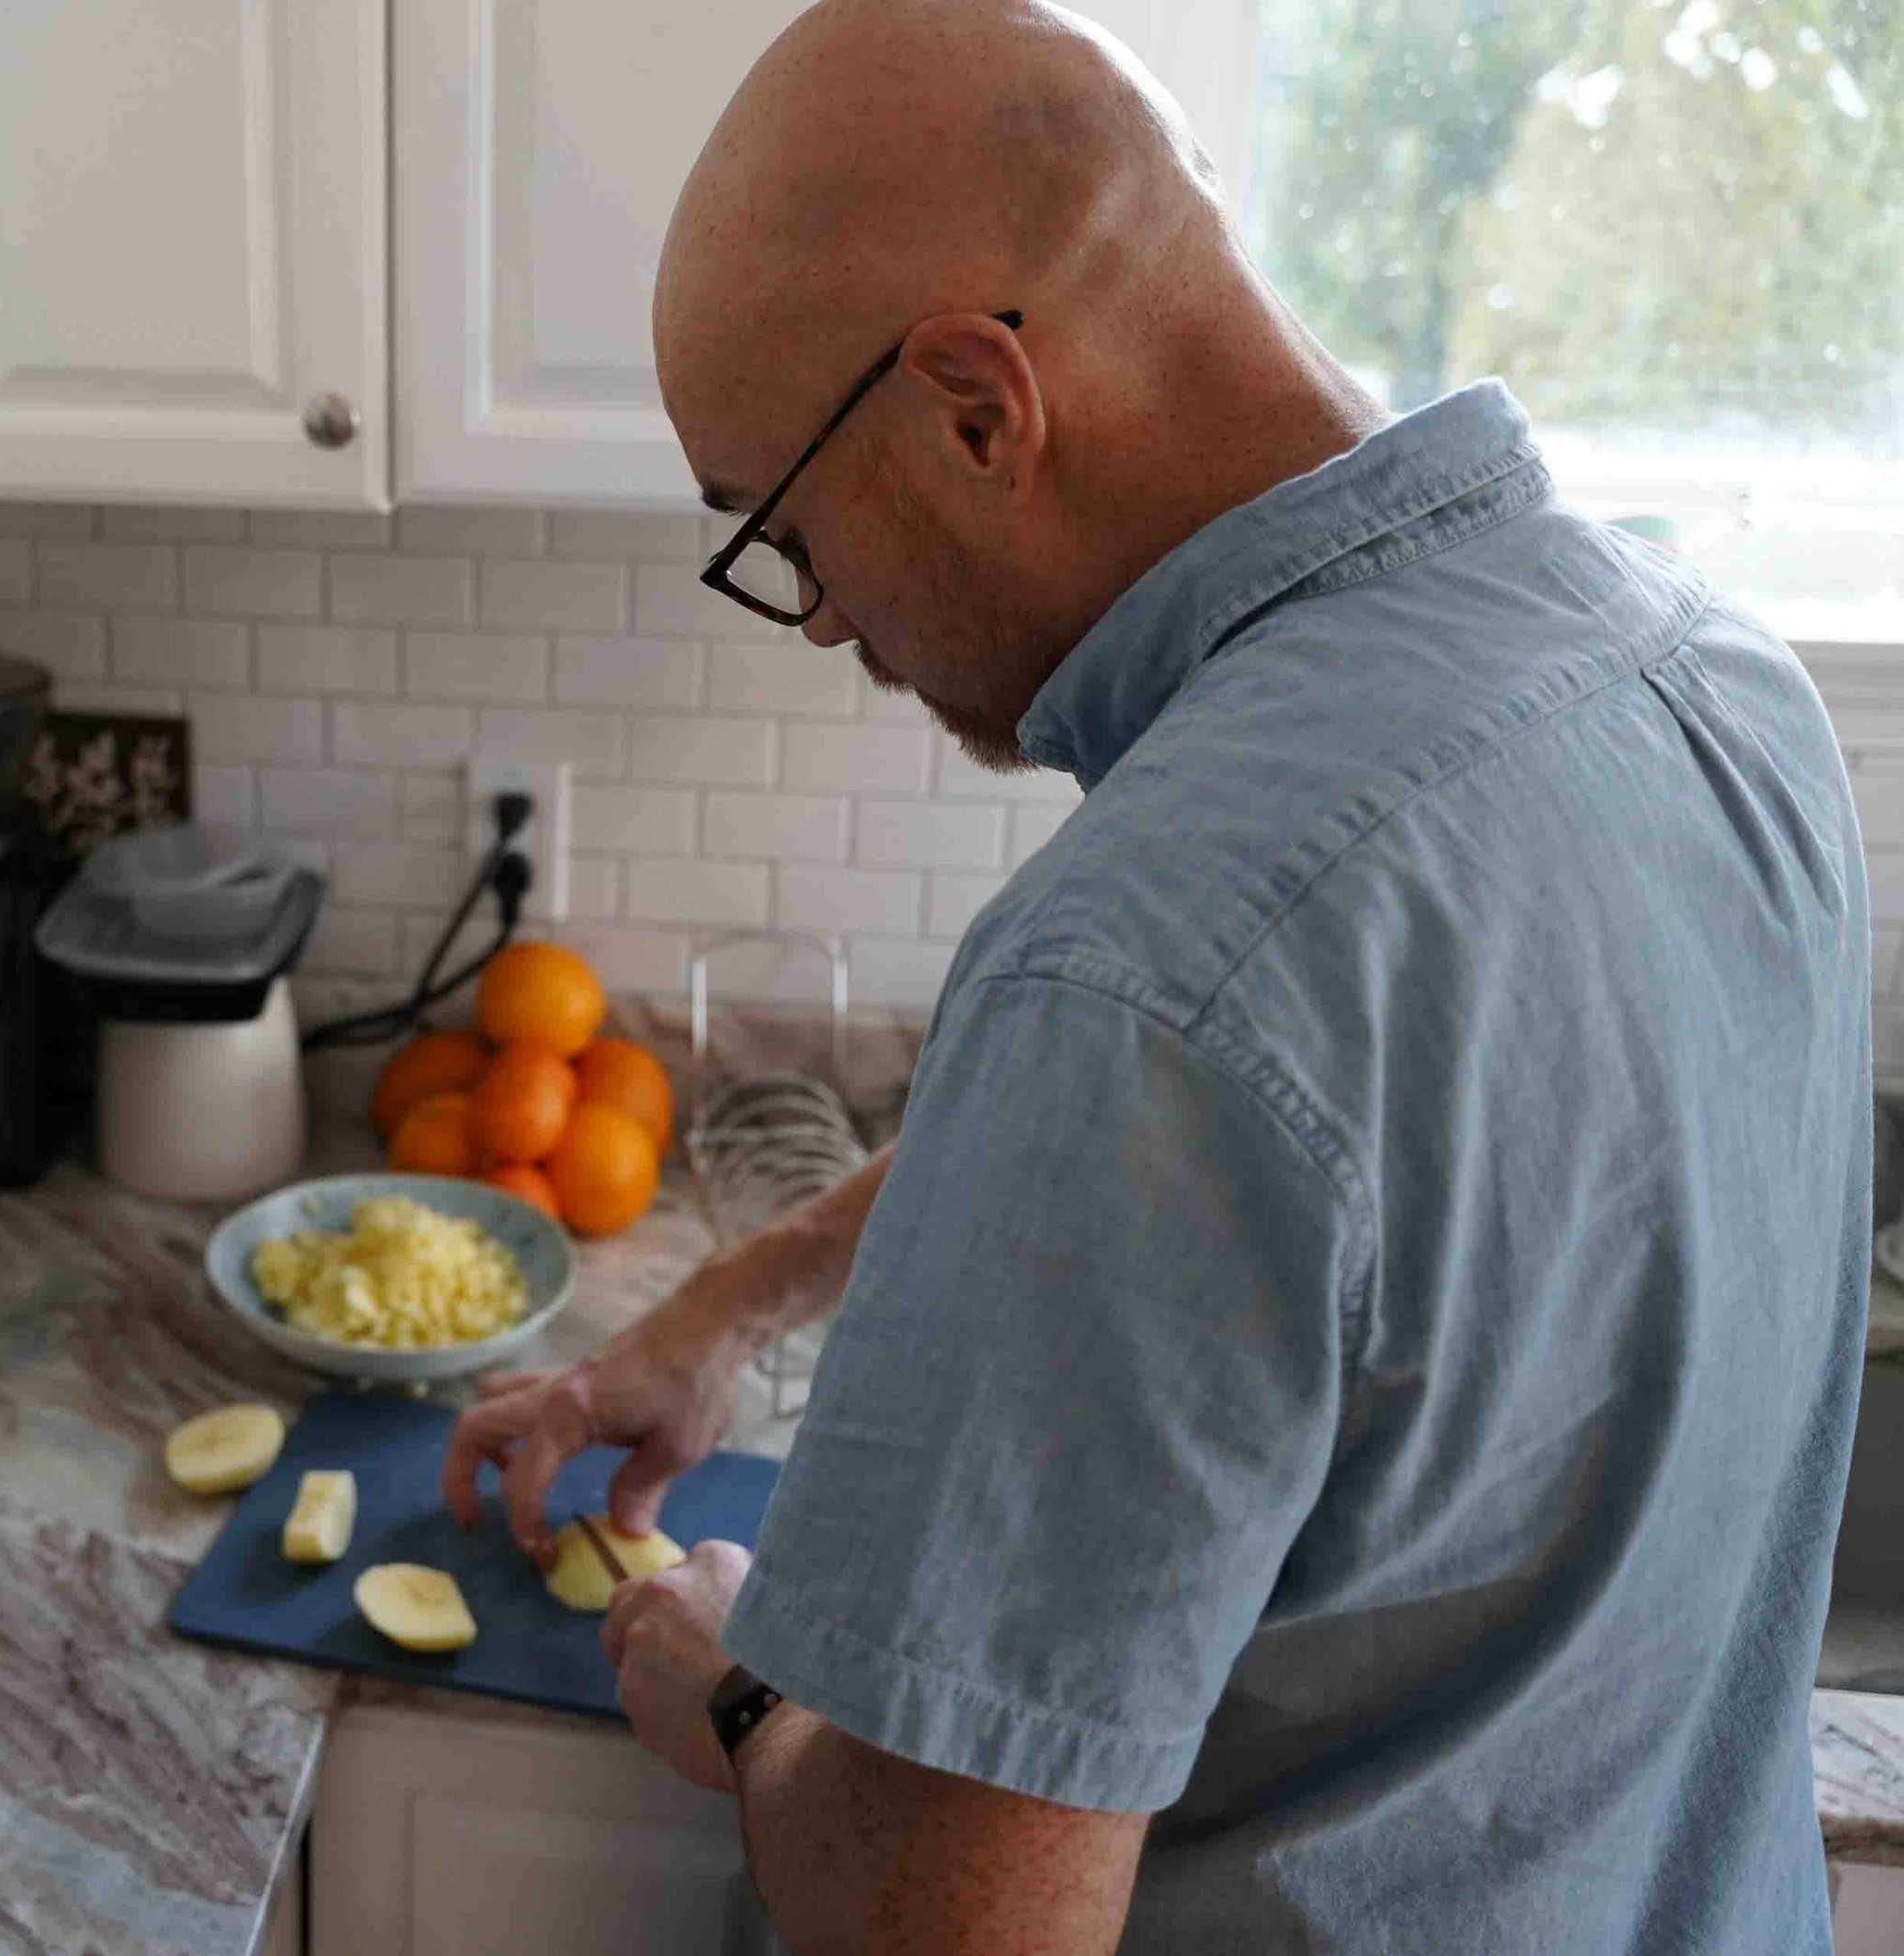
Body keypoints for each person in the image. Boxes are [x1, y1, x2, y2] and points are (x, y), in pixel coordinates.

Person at [441, 2, 1873, 1948]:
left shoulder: (1136, 970)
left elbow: (936, 1927)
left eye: (780, 530)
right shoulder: (1706, 675)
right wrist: (726, 1303)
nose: (816, 614)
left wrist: (738, 1688)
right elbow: (1295, 1193)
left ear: (970, 403)